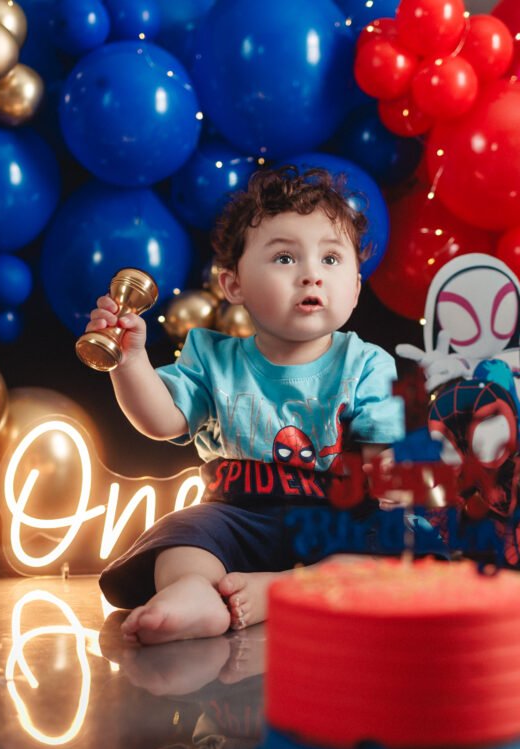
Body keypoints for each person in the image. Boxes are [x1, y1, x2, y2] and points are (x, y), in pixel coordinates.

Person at [87, 166, 404, 645]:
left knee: (399, 550)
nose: (311, 274)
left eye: (332, 259)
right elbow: (162, 420)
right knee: (183, 534)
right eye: (284, 258)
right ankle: (193, 591)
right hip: (237, 518)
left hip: (336, 520)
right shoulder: (212, 358)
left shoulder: (365, 364)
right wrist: (128, 361)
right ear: (233, 285)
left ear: (357, 289)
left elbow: (385, 452)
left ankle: (288, 591)